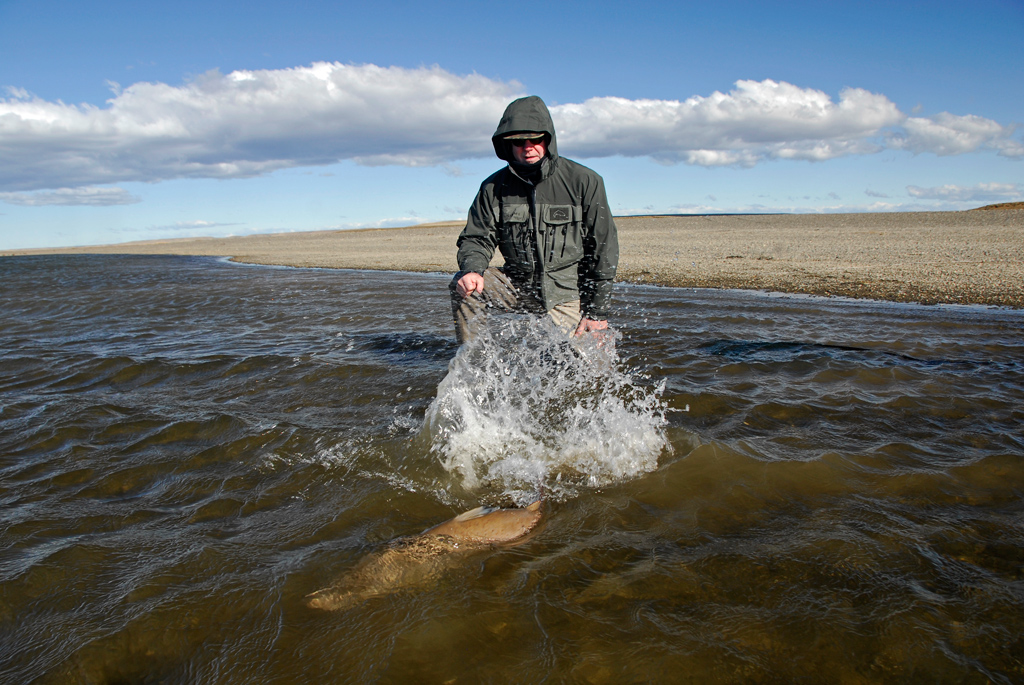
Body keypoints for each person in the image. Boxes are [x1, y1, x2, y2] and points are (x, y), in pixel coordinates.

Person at [450, 95, 619, 344]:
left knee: (595, 366)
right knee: (464, 286)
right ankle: (473, 362)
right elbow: (477, 237)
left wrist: (597, 312)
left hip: (568, 292)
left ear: (548, 139)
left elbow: (603, 249)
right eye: (518, 142)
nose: (527, 147)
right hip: (518, 286)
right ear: (507, 145)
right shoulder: (492, 187)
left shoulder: (584, 180)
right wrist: (472, 269)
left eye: (535, 139)